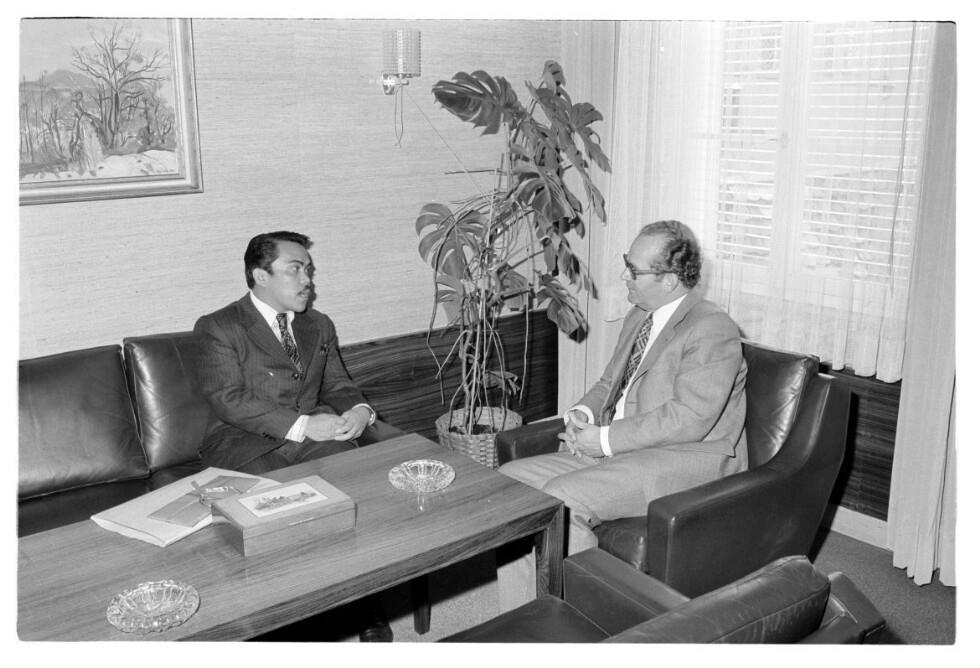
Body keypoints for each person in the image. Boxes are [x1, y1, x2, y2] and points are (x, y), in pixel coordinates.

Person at [497, 220, 748, 610]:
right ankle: (522, 619)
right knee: (509, 485)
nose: (623, 276)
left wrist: (602, 440)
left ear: (669, 280)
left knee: (562, 499)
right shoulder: (640, 315)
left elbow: (689, 418)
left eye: (633, 269)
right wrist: (582, 414)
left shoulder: (712, 327)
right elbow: (609, 382)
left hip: (683, 460)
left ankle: (583, 622)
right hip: (627, 449)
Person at [193, 230, 392, 641]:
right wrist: (302, 425)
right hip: (242, 442)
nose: (307, 281)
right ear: (260, 275)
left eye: (309, 270)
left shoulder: (318, 325)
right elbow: (228, 399)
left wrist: (360, 410)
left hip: (313, 436)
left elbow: (338, 384)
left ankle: (364, 603)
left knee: (351, 492)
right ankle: (289, 624)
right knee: (282, 514)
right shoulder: (219, 326)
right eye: (295, 269)